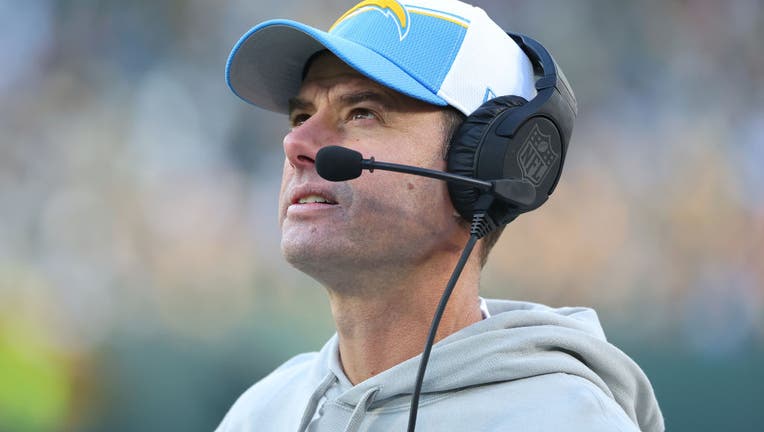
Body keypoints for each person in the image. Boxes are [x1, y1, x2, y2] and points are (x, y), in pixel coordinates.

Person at [217, 0, 664, 431]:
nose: (294, 144)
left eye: (362, 112)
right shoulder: (259, 414)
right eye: (300, 116)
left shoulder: (564, 422)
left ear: (483, 163)